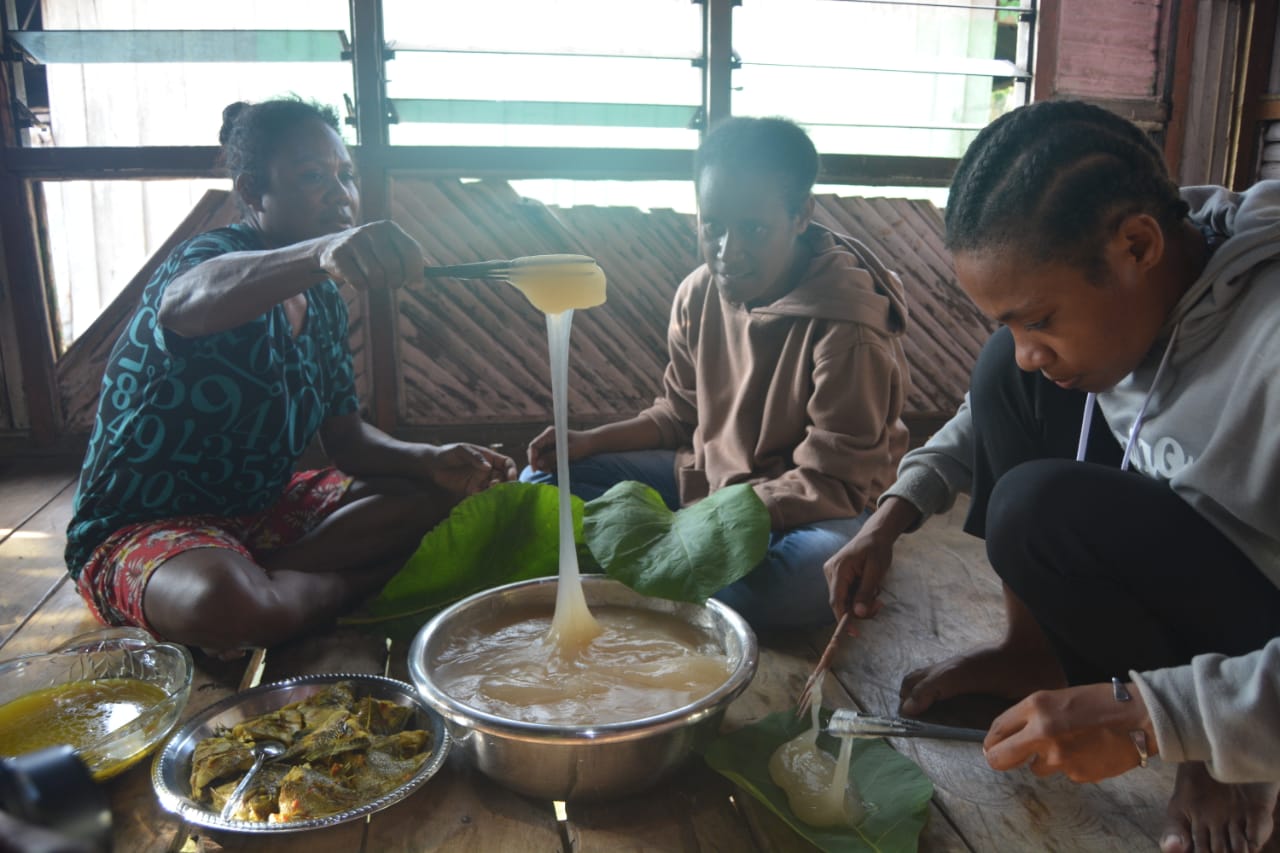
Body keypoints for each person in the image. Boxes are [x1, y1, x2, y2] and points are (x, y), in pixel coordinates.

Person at [824, 99, 1280, 852]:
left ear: (1138, 245)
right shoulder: (1146, 283)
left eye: (1037, 318)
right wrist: (892, 515)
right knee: (1005, 375)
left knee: (1037, 497)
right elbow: (987, 409)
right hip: (1193, 557)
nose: (1029, 346)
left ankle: (1226, 758)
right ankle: (1030, 649)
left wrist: (1158, 719)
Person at [64, 98, 516, 654]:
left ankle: (276, 581)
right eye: (312, 176)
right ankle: (325, 588)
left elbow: (348, 441)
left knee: (446, 495)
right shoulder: (212, 257)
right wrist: (319, 251)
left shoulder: (322, 300)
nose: (341, 194)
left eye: (346, 176)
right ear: (254, 192)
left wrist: (432, 457)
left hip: (262, 511)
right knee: (227, 604)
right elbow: (184, 302)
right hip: (142, 525)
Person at [521, 116, 910, 628]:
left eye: (753, 229)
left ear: (800, 216)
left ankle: (648, 571)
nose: (728, 252)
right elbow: (680, 416)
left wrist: (710, 521)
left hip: (815, 507)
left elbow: (834, 481)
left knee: (795, 582)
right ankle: (677, 573)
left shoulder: (849, 329)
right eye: (713, 227)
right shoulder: (699, 291)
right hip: (709, 479)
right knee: (542, 481)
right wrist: (589, 441)